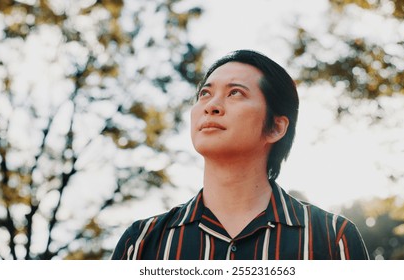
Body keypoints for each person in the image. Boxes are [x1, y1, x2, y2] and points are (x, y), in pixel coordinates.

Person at [111, 50, 369, 260]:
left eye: (235, 93)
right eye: (205, 94)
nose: (211, 106)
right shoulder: (141, 243)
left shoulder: (333, 239)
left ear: (276, 127)